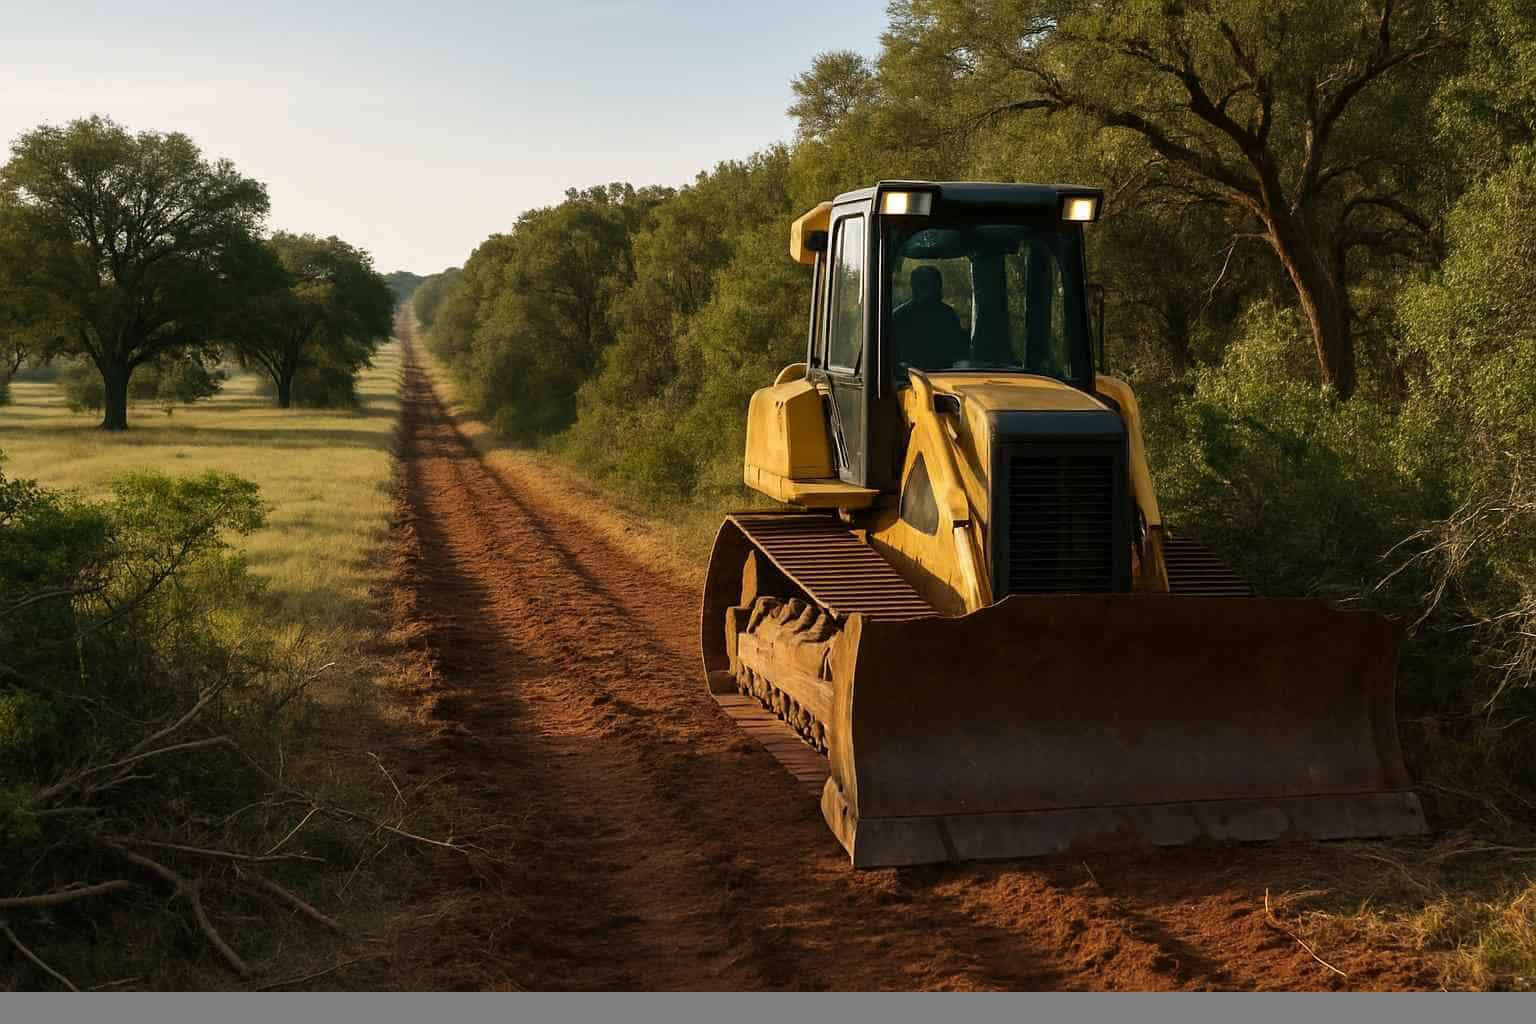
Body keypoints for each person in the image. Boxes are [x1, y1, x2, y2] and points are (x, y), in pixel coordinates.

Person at [892, 265, 969, 370]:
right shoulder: (899, 317)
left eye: (937, 286)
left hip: (946, 378)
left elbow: (959, 353)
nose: (936, 290)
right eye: (928, 286)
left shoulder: (948, 315)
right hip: (908, 380)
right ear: (915, 287)